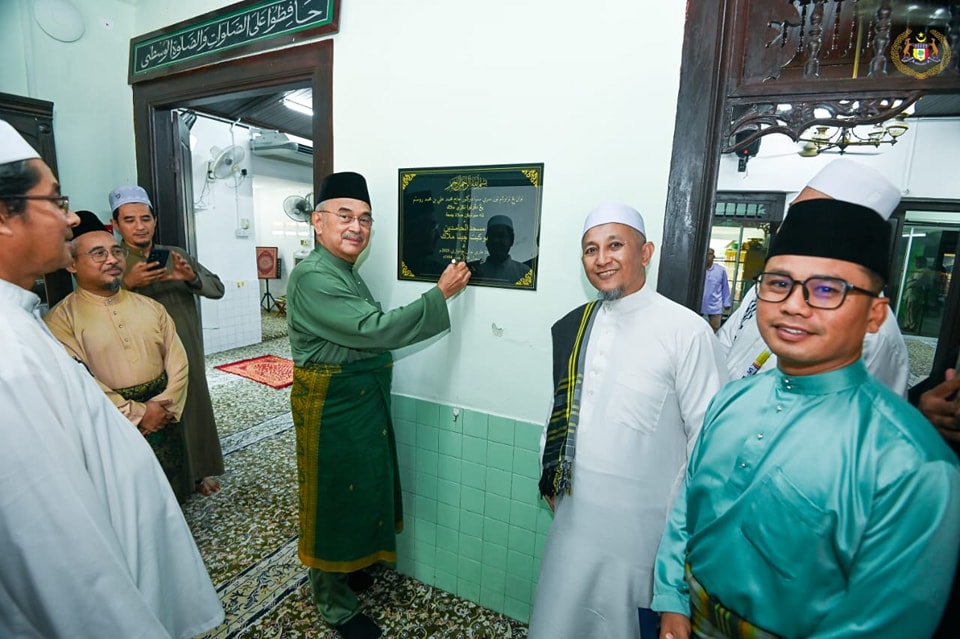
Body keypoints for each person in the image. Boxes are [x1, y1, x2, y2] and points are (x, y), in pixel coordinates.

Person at [652, 198, 960, 639]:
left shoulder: (913, 463)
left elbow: (882, 622)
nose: (794, 305)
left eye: (827, 289)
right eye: (779, 283)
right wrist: (671, 601)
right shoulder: (730, 401)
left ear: (875, 313)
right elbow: (686, 509)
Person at [0, 120, 223, 637]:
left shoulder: (21, 322)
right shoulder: (18, 351)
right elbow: (52, 547)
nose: (71, 217)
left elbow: (193, 312)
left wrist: (187, 278)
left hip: (166, 392)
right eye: (55, 202)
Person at [287, 171, 471, 639]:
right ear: (318, 222)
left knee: (363, 488)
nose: (356, 227)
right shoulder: (313, 276)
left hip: (358, 402)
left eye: (365, 219)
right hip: (330, 408)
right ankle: (332, 603)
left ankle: (347, 567)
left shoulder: (344, 273)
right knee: (332, 498)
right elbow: (374, 330)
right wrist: (440, 295)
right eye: (344, 216)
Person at [529, 203, 726, 639]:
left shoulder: (687, 331)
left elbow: (711, 443)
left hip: (645, 534)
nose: (602, 259)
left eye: (615, 245)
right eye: (590, 249)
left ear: (646, 251)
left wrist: (684, 534)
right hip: (574, 519)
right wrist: (549, 472)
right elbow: (558, 408)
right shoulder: (574, 326)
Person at [718, 158, 910, 396]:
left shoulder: (873, 333)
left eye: (808, 217)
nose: (784, 229)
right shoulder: (773, 286)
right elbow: (724, 344)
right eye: (794, 214)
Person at [45, 211, 192, 500]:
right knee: (128, 499)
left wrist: (165, 405)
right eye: (98, 254)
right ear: (72, 264)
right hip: (111, 421)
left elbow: (178, 361)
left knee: (171, 491)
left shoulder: (151, 307)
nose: (112, 260)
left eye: (115, 252)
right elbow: (81, 382)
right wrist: (138, 415)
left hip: (162, 412)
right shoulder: (60, 320)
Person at [109, 184, 226, 497]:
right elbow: (93, 307)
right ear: (116, 224)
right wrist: (127, 285)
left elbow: (217, 288)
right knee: (154, 415)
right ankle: (159, 486)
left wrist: (191, 279)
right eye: (130, 220)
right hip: (142, 361)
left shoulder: (176, 255)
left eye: (145, 218)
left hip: (185, 348)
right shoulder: (112, 261)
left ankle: (198, 473)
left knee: (192, 409)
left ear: (154, 221)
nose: (139, 226)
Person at [466, 215, 533, 284]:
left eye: (501, 236)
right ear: (486, 241)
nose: (496, 241)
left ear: (511, 240)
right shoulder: (473, 273)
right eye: (492, 236)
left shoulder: (524, 273)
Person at [700, 248, 731, 331]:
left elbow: (725, 287)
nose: (707, 257)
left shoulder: (720, 270)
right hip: (699, 305)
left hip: (715, 305)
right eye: (706, 254)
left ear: (714, 256)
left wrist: (726, 303)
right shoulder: (698, 270)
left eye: (710, 254)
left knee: (715, 328)